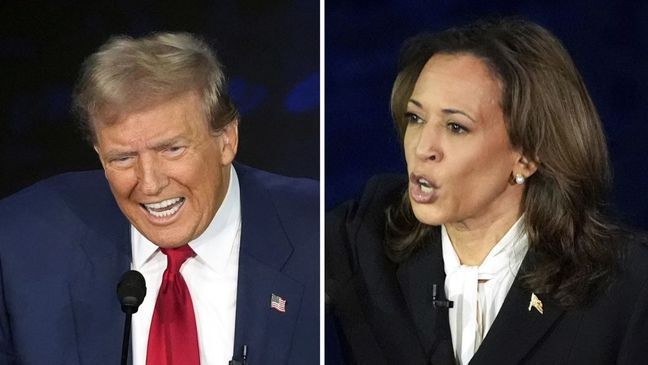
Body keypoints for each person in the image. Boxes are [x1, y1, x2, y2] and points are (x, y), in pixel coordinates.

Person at [326, 18, 648, 364]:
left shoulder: (627, 287)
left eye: (455, 127)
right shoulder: (362, 239)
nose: (423, 148)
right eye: (416, 119)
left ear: (527, 156)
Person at [0, 32, 318, 364]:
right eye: (123, 158)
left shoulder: (319, 236)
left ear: (226, 139)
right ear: (99, 154)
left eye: (172, 149)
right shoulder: (21, 247)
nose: (150, 184)